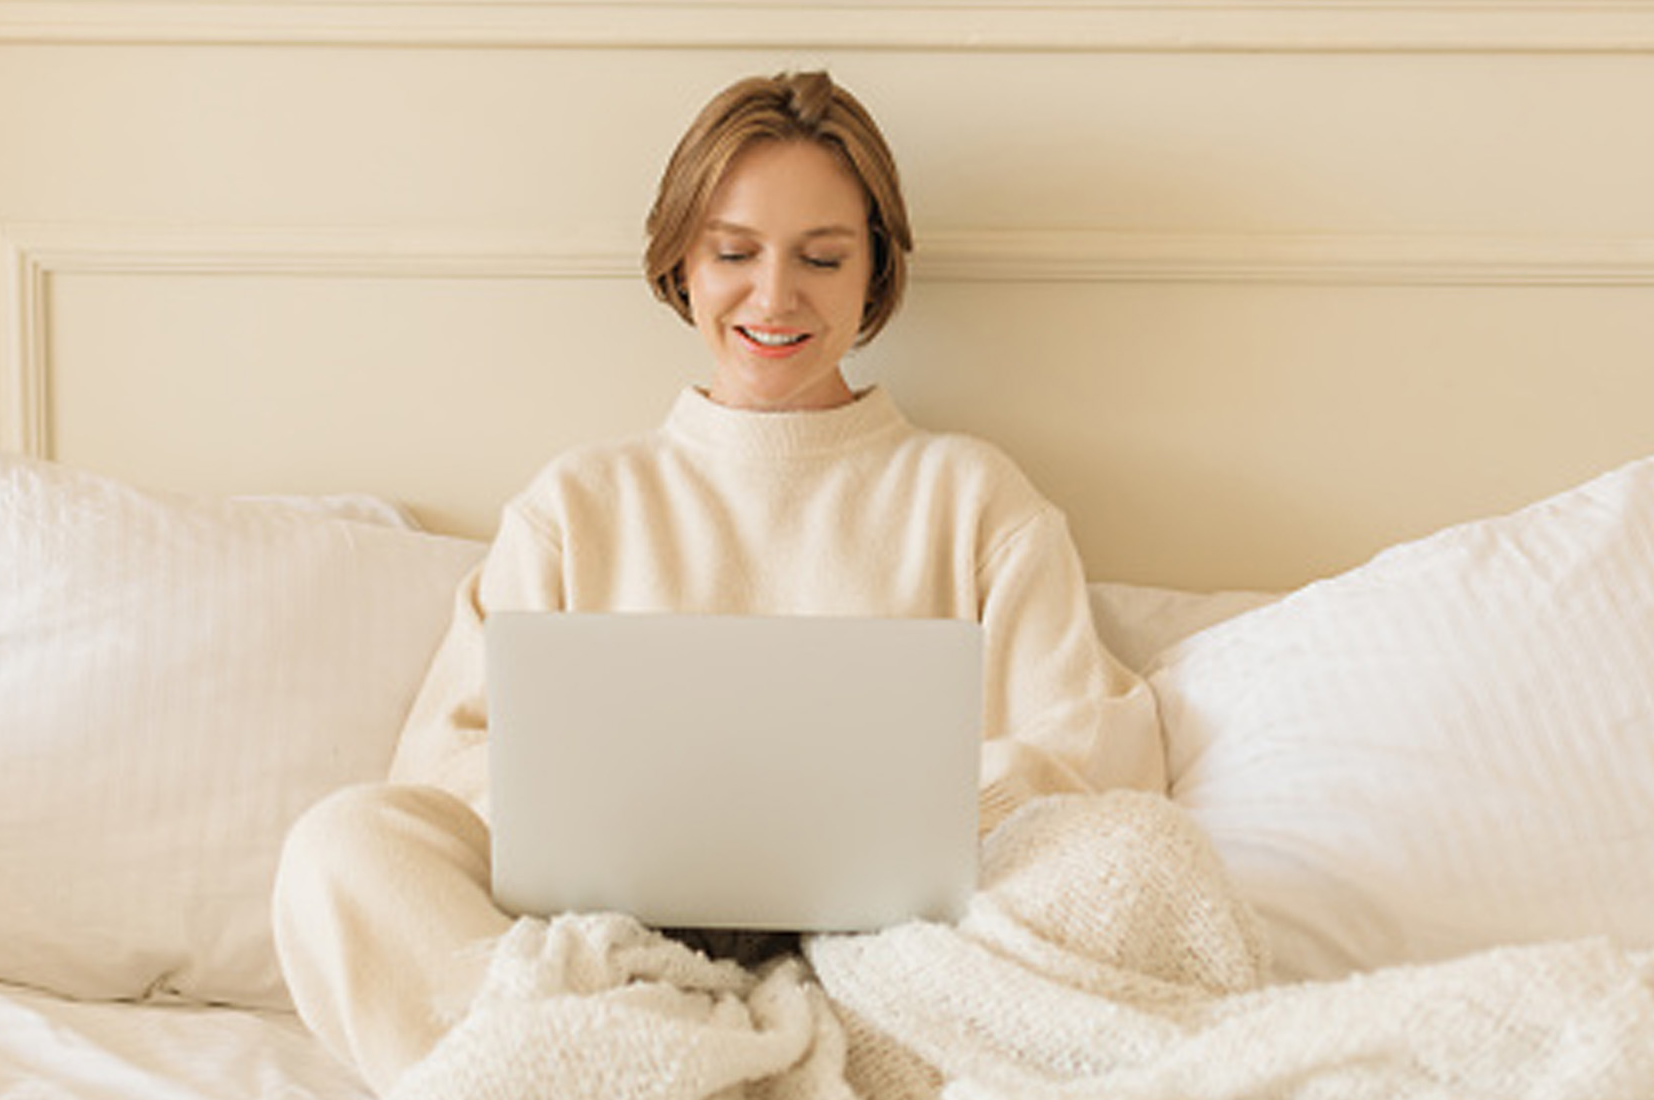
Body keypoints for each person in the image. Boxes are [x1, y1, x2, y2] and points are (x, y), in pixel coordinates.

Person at [271, 70, 1161, 1095]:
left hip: (887, 970)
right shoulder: (577, 503)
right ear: (681, 263)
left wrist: (935, 819)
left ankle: (679, 1067)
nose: (774, 296)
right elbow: (442, 768)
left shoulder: (970, 497)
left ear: (874, 269)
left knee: (1139, 854)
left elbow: (1095, 755)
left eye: (820, 257)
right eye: (734, 253)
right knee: (341, 846)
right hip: (607, 960)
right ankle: (655, 1046)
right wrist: (588, 823)